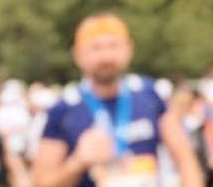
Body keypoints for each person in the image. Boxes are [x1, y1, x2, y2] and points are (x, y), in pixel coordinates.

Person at [32, 13, 202, 187]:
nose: (106, 56)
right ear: (78, 54)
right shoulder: (64, 108)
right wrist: (77, 162)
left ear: (128, 49)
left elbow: (185, 158)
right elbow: (41, 182)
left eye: (113, 46)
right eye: (96, 48)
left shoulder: (148, 94)